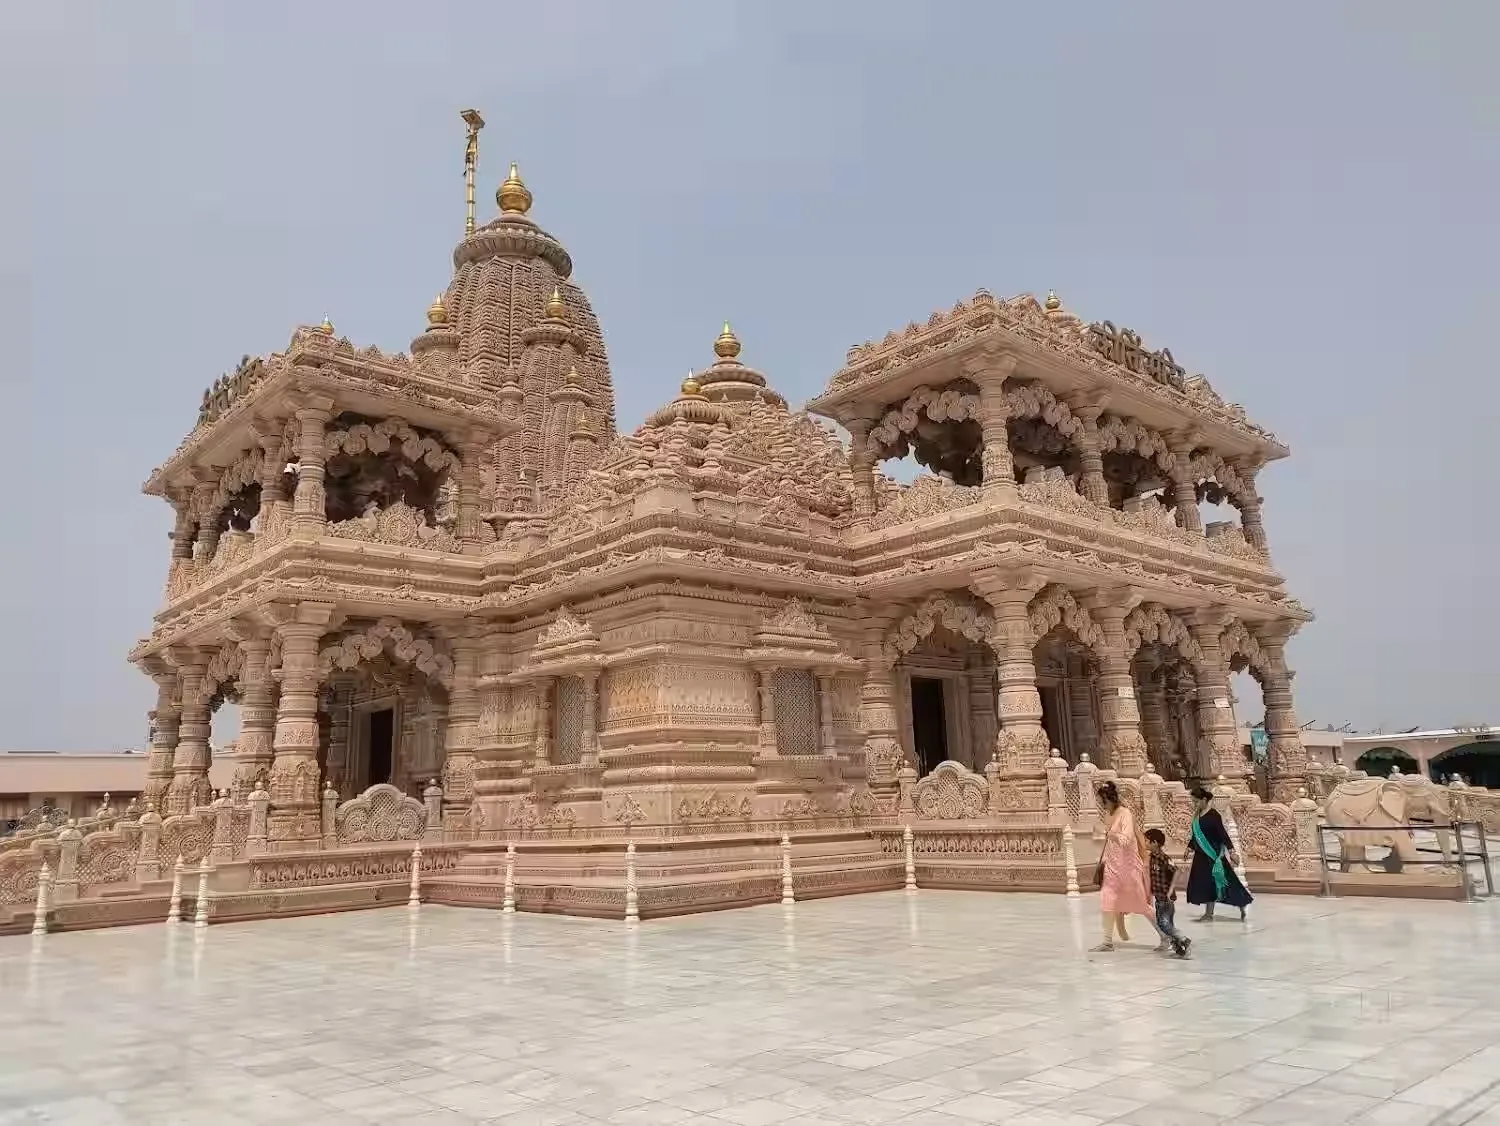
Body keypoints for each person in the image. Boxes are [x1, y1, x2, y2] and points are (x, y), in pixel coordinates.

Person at [1092, 781, 1154, 952]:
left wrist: (1108, 833)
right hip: (1112, 867)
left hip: (1128, 868)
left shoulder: (1125, 813)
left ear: (1109, 799)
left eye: (1102, 801)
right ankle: (1107, 942)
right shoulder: (1109, 815)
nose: (1101, 805)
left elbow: (1125, 840)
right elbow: (1110, 843)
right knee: (1107, 900)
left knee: (1141, 905)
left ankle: (1166, 935)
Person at [1185, 786, 1253, 922]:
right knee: (1205, 884)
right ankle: (1208, 914)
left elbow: (1223, 835)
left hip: (1214, 856)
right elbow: (1195, 836)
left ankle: (1241, 903)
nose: (1195, 804)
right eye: (1193, 802)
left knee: (1226, 882)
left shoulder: (1213, 815)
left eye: (1196, 801)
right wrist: (1189, 848)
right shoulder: (1197, 816)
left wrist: (1232, 851)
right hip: (1200, 856)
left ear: (1204, 800)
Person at [1145, 829, 1191, 958]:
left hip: (1166, 898)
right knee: (1169, 925)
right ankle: (1180, 950)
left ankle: (1184, 939)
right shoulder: (1152, 858)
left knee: (1163, 924)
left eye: (1147, 841)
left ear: (1155, 842)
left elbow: (1177, 871)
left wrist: (1171, 890)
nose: (1146, 844)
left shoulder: (1163, 858)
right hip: (1159, 898)